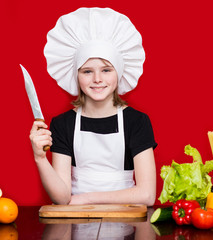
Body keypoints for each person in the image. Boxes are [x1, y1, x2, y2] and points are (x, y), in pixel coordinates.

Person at [29, 7, 157, 206]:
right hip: (77, 223)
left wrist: (87, 199)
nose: (97, 79)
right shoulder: (62, 124)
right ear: (76, 76)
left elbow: (147, 195)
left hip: (127, 222)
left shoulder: (137, 122)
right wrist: (40, 158)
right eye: (87, 71)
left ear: (119, 73)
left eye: (106, 69)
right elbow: (62, 198)